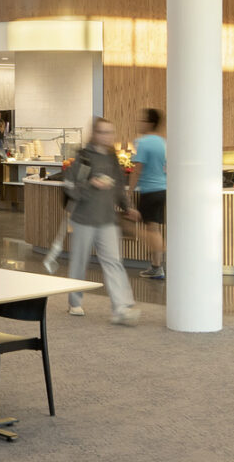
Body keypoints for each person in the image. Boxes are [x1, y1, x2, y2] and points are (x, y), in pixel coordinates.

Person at [65, 116, 138, 324]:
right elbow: (70, 187)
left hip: (107, 219)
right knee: (79, 262)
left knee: (114, 262)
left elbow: (117, 187)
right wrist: (91, 184)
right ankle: (75, 301)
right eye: (103, 132)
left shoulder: (113, 158)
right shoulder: (84, 158)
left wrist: (127, 207)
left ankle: (121, 308)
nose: (108, 137)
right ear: (95, 134)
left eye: (110, 132)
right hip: (84, 219)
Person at [132, 107, 167, 280]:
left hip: (149, 190)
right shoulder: (163, 142)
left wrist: (129, 191)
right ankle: (156, 264)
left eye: (142, 120)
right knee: (154, 228)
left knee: (151, 229)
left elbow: (137, 169)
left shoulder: (143, 142)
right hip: (162, 189)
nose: (139, 123)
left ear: (150, 123)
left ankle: (157, 266)